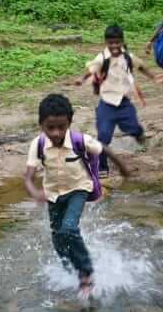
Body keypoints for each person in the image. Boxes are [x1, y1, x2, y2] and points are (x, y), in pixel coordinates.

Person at [22, 94, 130, 300]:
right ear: (41, 125)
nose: (56, 133)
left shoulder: (81, 140)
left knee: (69, 228)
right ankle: (69, 266)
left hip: (79, 189)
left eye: (61, 127)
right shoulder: (38, 145)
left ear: (69, 123)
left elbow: (104, 149)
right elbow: (28, 177)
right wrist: (35, 192)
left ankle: (86, 272)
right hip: (53, 194)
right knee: (58, 237)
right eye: (50, 128)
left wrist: (123, 168)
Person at [74, 25, 162, 176]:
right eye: (111, 43)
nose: (114, 46)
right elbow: (91, 70)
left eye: (117, 42)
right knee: (103, 137)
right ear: (106, 42)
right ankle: (102, 167)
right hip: (106, 105)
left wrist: (154, 77)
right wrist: (81, 79)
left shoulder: (128, 57)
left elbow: (141, 67)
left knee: (133, 127)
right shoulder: (102, 57)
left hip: (123, 103)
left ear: (122, 41)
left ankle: (138, 134)